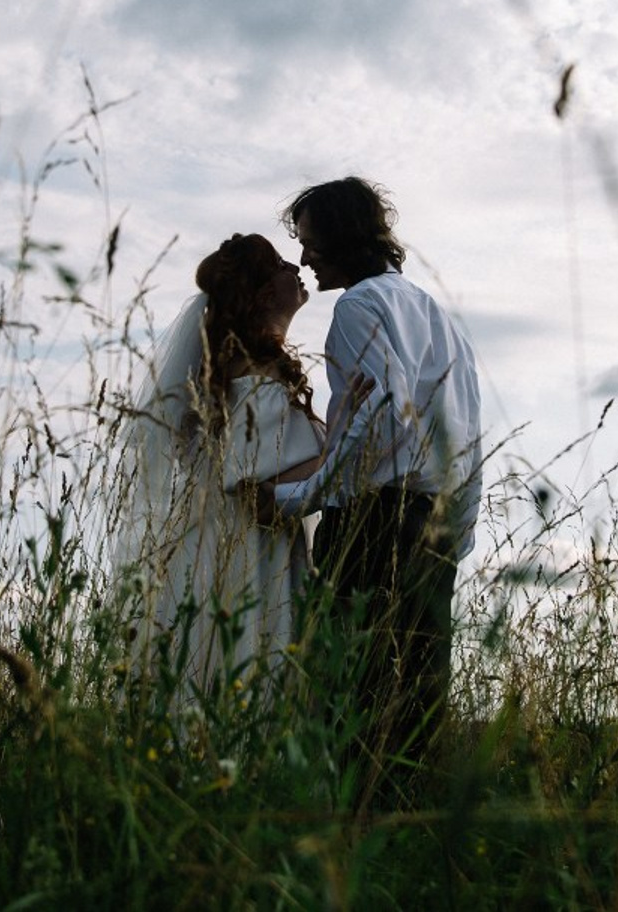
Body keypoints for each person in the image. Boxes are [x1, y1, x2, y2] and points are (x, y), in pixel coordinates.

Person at [280, 177, 483, 801]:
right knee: (420, 696)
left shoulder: (358, 306)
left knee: (357, 695)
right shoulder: (433, 314)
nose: (305, 257)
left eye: (311, 242)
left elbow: (380, 413)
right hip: (434, 525)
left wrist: (300, 498)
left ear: (340, 238)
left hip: (376, 524)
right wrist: (457, 534)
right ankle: (408, 839)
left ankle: (358, 835)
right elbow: (465, 435)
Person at [110, 233, 363, 700]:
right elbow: (257, 494)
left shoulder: (238, 377)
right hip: (249, 562)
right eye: (283, 264)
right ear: (266, 292)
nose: (296, 269)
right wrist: (344, 445)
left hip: (220, 556)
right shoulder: (255, 381)